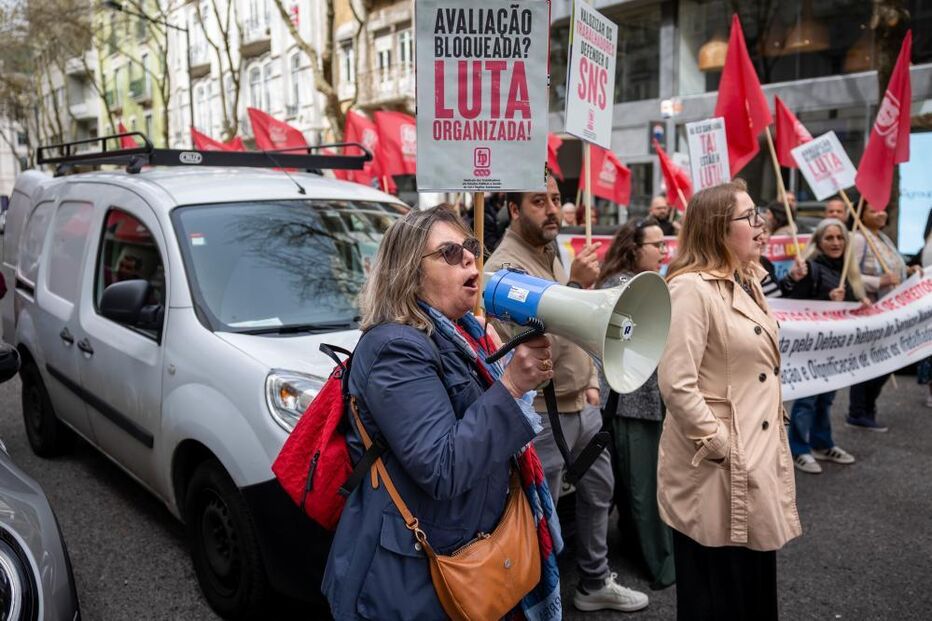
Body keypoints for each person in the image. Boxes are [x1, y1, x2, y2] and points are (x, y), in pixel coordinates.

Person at [323, 205, 561, 619]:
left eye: (470, 247)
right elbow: (442, 466)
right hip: (412, 580)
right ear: (408, 272)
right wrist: (511, 386)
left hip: (461, 551)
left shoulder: (458, 335)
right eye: (450, 253)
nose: (470, 257)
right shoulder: (394, 350)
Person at [487, 171, 650, 613]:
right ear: (514, 209)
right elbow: (526, 350)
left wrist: (593, 381)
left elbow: (585, 329)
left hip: (582, 405)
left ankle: (594, 580)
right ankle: (542, 597)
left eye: (556, 198)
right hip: (543, 414)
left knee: (600, 492)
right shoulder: (506, 270)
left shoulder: (551, 252)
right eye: (539, 201)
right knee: (541, 516)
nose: (554, 208)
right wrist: (575, 289)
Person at [658, 180, 801, 620]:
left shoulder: (749, 280)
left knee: (752, 584)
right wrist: (720, 444)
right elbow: (676, 382)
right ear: (719, 229)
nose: (762, 225)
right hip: (717, 469)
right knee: (718, 591)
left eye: (760, 215)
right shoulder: (690, 290)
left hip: (754, 458)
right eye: (750, 217)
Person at [595, 217, 675, 590]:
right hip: (630, 404)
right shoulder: (620, 288)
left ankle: (638, 547)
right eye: (656, 245)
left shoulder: (644, 283)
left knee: (635, 486)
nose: (663, 251)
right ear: (633, 248)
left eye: (663, 244)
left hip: (642, 402)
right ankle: (660, 564)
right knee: (643, 487)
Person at [781, 219, 867, 474]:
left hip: (834, 350)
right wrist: (825, 300)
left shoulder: (848, 271)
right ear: (818, 242)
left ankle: (822, 443)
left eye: (839, 238)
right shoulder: (811, 269)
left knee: (827, 398)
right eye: (829, 238)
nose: (836, 243)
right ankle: (798, 449)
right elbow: (793, 303)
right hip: (811, 349)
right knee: (807, 400)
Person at [847, 206, 920, 432]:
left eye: (882, 210)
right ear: (860, 214)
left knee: (887, 361)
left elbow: (894, 268)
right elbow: (851, 274)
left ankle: (868, 408)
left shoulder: (884, 239)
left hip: (890, 312)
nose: (881, 213)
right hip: (871, 310)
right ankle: (858, 411)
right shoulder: (858, 239)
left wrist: (909, 270)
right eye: (873, 210)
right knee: (869, 360)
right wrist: (879, 282)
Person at [756, 220, 782, 298]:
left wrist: (792, 278)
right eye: (756, 231)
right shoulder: (739, 270)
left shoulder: (766, 263)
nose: (761, 238)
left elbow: (778, 294)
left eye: (764, 232)